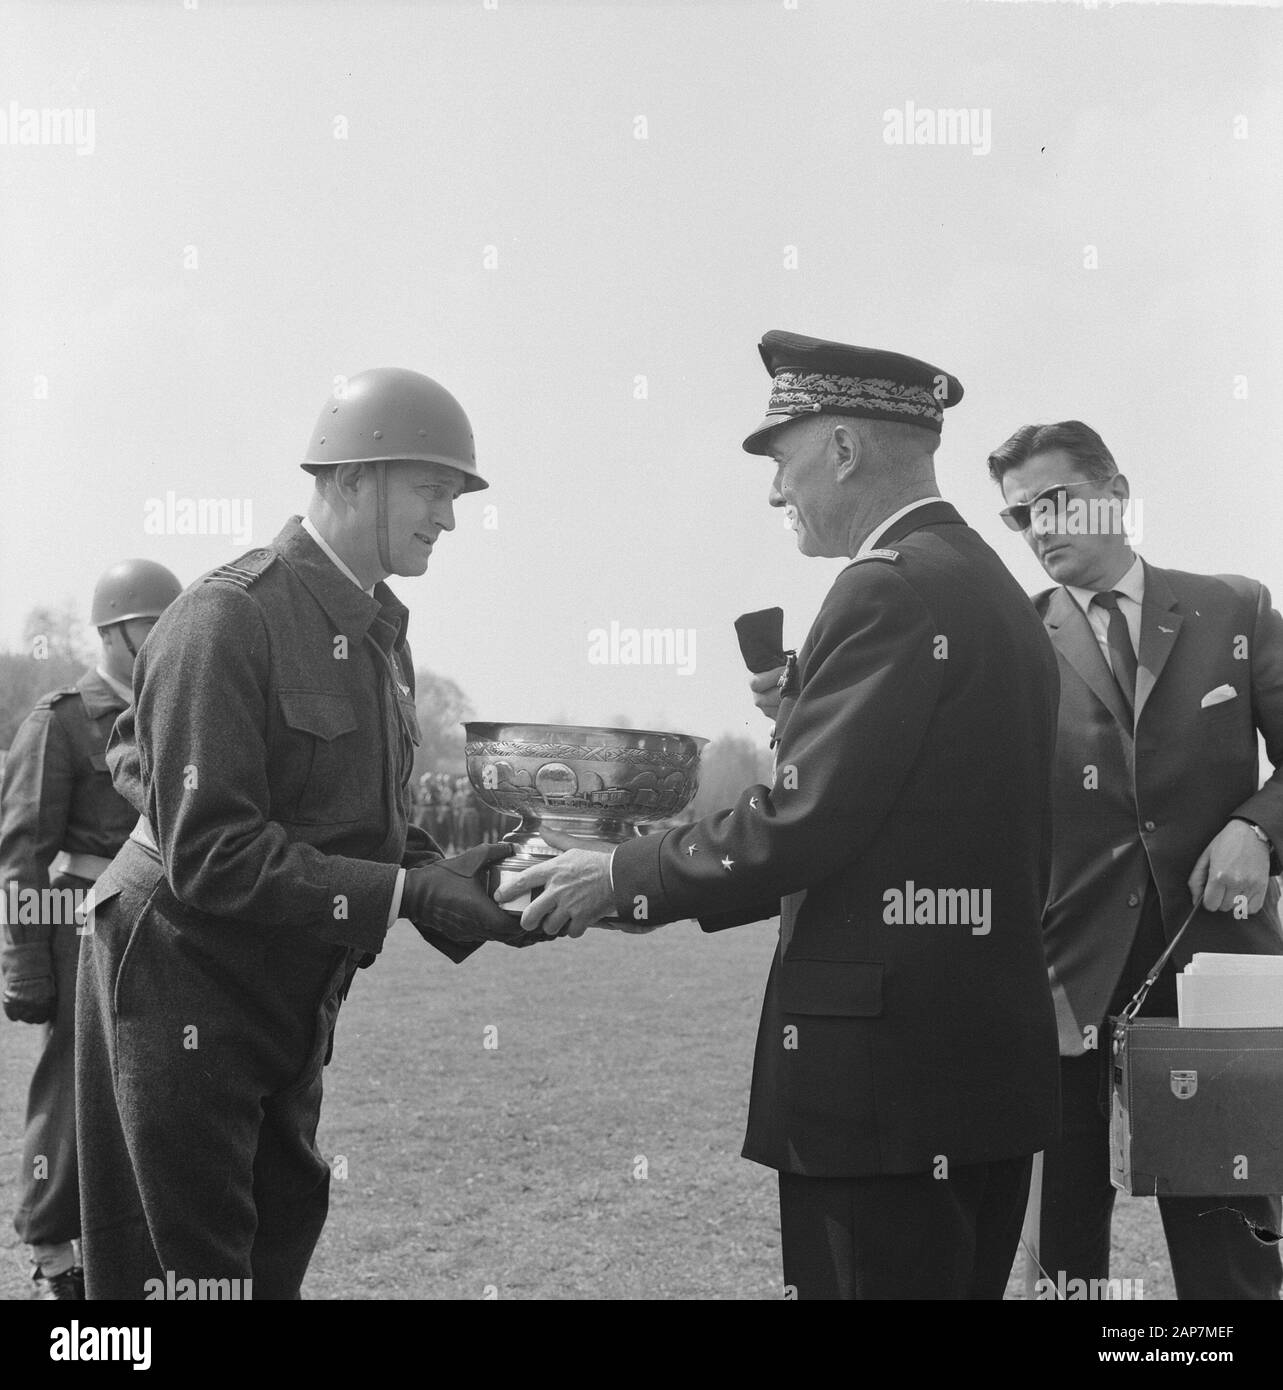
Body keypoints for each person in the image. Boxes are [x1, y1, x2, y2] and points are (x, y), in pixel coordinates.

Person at [501, 330, 1063, 1299]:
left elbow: (799, 823)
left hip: (878, 1093)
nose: (772, 492)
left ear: (841, 448)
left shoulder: (884, 587)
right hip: (973, 1081)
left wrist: (615, 873)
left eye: (780, 457)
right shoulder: (994, 591)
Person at [76, 367, 547, 1301]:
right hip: (183, 978)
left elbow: (354, 821)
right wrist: (410, 893)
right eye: (432, 489)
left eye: (452, 495)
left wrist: (451, 879)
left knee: (276, 1239)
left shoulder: (379, 632)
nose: (448, 518)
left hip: (289, 991)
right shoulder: (228, 615)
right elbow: (212, 853)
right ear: (350, 480)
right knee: (187, 1275)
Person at [987, 419, 1283, 1300]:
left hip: (1212, 977)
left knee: (1227, 1254)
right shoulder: (1008, 637)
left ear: (1115, 491)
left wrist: (1258, 829)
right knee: (1062, 1258)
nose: (1039, 527)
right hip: (1058, 981)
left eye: (1054, 501)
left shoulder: (1233, 607)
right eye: (1017, 516)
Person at [0, 559, 181, 1299]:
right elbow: (22, 849)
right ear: (115, 629)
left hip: (158, 926)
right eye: (151, 624)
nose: (165, 637)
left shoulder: (170, 711)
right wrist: (25, 969)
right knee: (70, 1092)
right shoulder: (61, 718)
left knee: (148, 1092)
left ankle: (121, 1248)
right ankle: (49, 1246)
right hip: (79, 922)